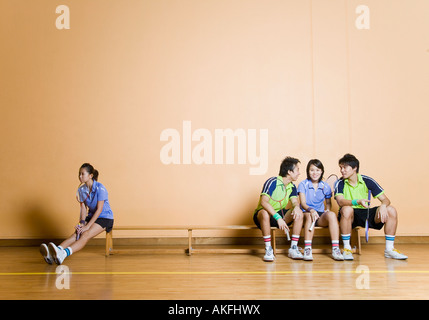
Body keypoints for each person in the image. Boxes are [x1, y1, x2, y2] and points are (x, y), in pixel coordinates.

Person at [334, 154, 407, 260]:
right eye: (340, 168)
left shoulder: (367, 180)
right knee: (346, 209)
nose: (342, 170)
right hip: (349, 215)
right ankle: (347, 248)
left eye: (344, 167)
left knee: (391, 210)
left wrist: (383, 206)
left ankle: (389, 249)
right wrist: (357, 201)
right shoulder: (340, 183)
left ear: (354, 168)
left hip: (366, 213)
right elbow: (340, 201)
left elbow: (386, 200)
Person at [40, 163, 114, 265]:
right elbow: (83, 209)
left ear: (90, 176)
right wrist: (81, 223)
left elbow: (99, 210)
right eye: (79, 174)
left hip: (105, 218)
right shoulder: (81, 190)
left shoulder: (100, 188)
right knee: (77, 233)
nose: (80, 176)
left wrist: (87, 227)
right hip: (91, 217)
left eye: (82, 174)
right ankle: (56, 251)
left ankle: (63, 254)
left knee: (85, 234)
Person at [253, 157, 304, 262]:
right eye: (297, 170)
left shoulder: (292, 186)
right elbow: (264, 202)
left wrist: (297, 207)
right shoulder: (272, 182)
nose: (299, 173)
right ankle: (268, 249)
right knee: (264, 213)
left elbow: (294, 202)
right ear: (289, 171)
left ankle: (293, 248)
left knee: (299, 212)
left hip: (280, 216)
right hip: (264, 216)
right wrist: (278, 218)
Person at [298, 159, 343, 261]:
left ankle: (335, 249)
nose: (315, 173)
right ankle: (308, 249)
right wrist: (312, 210)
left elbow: (328, 203)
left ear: (322, 171)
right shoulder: (303, 184)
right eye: (312, 170)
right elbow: (303, 203)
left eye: (318, 170)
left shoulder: (325, 186)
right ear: (308, 171)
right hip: (307, 214)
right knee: (310, 215)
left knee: (331, 215)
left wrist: (327, 210)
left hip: (320, 216)